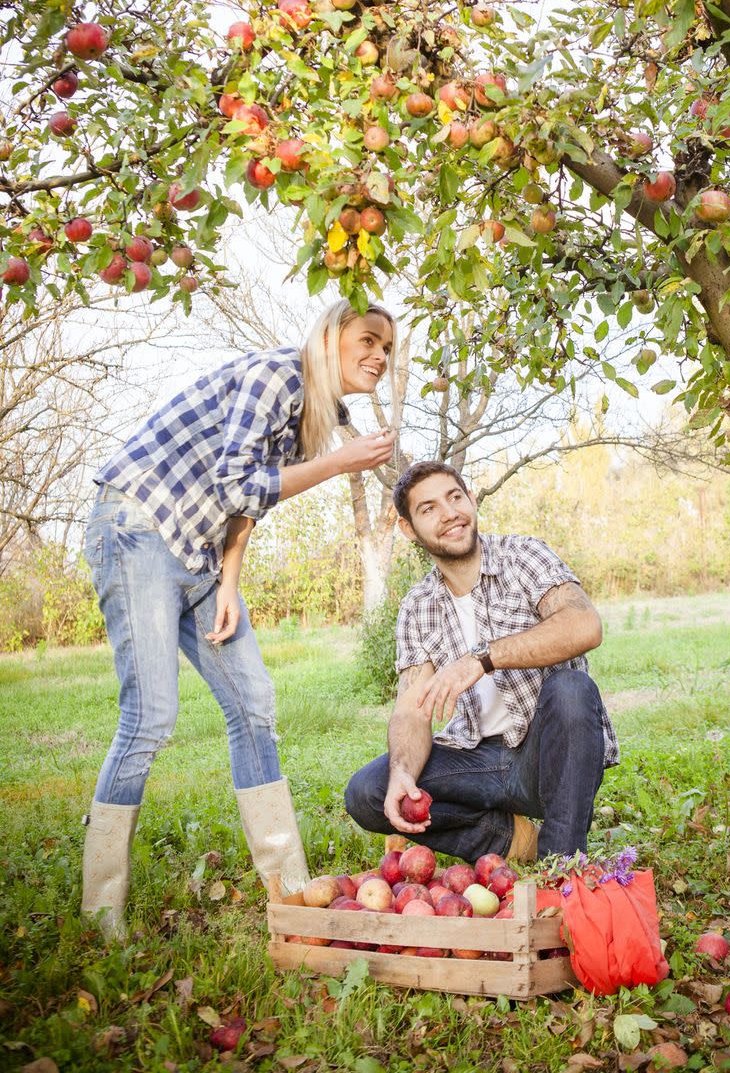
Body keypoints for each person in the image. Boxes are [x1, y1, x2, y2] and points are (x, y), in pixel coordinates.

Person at [81, 298, 396, 936]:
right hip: (138, 528)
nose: (380, 357)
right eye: (368, 340)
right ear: (331, 336)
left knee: (254, 704)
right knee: (150, 717)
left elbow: (249, 503)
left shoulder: (316, 410)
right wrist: (339, 462)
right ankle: (99, 911)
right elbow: (234, 485)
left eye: (388, 348)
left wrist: (228, 578)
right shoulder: (277, 374)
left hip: (200, 552)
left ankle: (290, 888)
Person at [344, 461, 618, 863]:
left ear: (471, 500)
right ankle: (508, 840)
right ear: (409, 529)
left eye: (455, 498)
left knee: (571, 688)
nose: (449, 513)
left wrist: (483, 659)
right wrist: (402, 773)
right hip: (478, 760)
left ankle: (560, 864)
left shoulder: (523, 556)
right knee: (368, 792)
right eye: (429, 508)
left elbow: (584, 625)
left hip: (548, 758)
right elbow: (411, 711)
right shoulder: (418, 605)